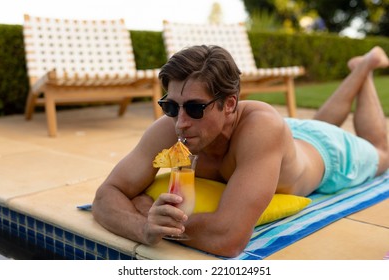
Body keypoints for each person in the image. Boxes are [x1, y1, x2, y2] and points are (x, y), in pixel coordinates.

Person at [92, 45, 389, 258]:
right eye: (170, 106)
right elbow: (106, 195)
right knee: (319, 123)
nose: (180, 122)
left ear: (230, 103)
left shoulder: (261, 130)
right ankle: (360, 68)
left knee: (382, 152)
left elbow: (229, 238)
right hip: (288, 137)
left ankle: (365, 67)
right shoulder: (171, 127)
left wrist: (165, 226)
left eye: (195, 108)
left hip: (329, 154)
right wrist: (144, 227)